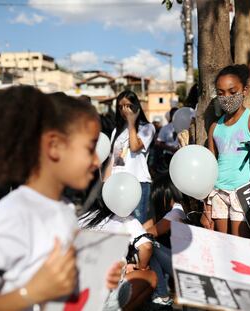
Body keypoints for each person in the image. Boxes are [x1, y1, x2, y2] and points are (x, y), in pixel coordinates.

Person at [0, 87, 122, 309]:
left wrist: (96, 278)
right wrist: (30, 292)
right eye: (90, 148)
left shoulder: (64, 208)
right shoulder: (13, 217)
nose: (95, 160)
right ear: (54, 146)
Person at [202, 64, 250, 238]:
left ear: (244, 90)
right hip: (217, 195)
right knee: (222, 245)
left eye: (232, 91)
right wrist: (206, 208)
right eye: (221, 93)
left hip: (242, 194)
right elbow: (209, 169)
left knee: (241, 247)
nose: (226, 98)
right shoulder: (215, 127)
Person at [79, 196, 157, 310]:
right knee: (150, 277)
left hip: (69, 290)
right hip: (100, 294)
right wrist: (140, 267)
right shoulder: (127, 220)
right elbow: (147, 246)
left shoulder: (84, 217)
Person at [104, 90, 155, 224]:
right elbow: (113, 159)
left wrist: (132, 122)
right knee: (118, 224)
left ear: (135, 106)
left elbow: (134, 147)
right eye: (120, 107)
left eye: (127, 106)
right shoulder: (117, 130)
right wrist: (105, 183)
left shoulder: (147, 128)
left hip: (137, 182)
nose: (124, 110)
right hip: (116, 184)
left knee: (136, 224)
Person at [146, 174, 187, 305]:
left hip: (183, 267)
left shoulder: (176, 212)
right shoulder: (178, 209)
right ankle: (162, 295)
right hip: (181, 262)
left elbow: (152, 231)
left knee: (149, 243)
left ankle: (162, 295)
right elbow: (149, 226)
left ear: (164, 194)